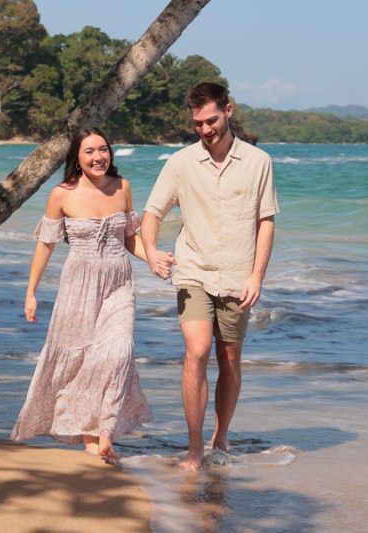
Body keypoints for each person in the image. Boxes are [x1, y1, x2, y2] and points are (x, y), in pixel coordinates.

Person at [141, 82, 278, 471]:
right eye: (198, 123)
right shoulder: (180, 163)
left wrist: (257, 276)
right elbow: (152, 212)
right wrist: (151, 251)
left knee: (229, 358)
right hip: (193, 272)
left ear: (229, 111)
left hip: (238, 276)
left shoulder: (258, 162)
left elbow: (265, 222)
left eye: (211, 120)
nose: (205, 129)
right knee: (197, 350)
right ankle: (195, 446)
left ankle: (221, 435)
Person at [10, 127, 152, 464]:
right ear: (77, 157)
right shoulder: (62, 194)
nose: (98, 157)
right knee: (84, 359)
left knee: (118, 354)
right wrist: (31, 292)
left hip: (119, 282)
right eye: (89, 151)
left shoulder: (123, 188)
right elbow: (46, 244)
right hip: (79, 285)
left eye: (103, 149)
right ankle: (94, 439)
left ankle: (105, 432)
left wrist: (156, 259)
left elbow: (131, 238)